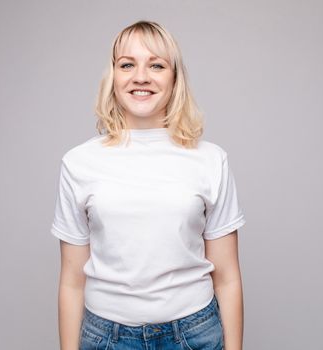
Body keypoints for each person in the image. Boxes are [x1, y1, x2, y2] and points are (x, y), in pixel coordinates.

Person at [51, 20, 246, 350]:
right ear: (113, 76)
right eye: (127, 64)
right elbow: (72, 282)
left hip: (194, 334)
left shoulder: (212, 160)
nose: (141, 76)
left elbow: (227, 277)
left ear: (174, 78)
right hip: (106, 338)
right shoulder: (78, 163)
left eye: (156, 65)